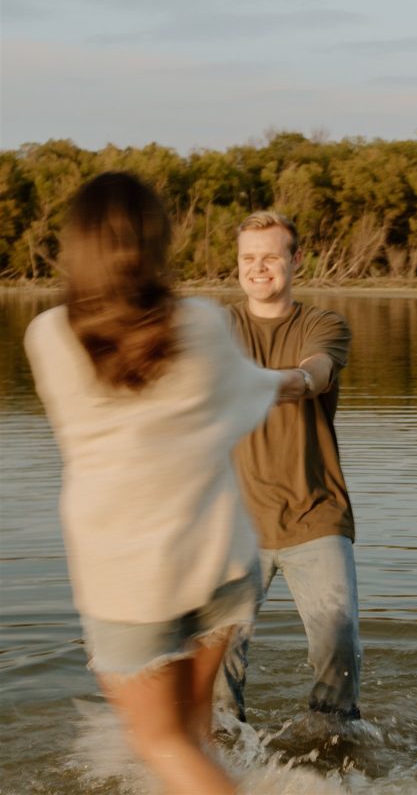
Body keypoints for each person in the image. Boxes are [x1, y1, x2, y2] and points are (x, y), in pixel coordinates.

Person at [24, 173, 299, 795]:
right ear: (156, 244)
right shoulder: (200, 323)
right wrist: (299, 381)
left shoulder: (47, 335)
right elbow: (252, 390)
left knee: (162, 746)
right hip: (222, 566)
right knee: (194, 740)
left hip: (130, 585)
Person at [217, 210, 361, 722]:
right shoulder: (217, 325)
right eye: (248, 258)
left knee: (338, 646)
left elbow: (314, 373)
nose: (259, 268)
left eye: (271, 257)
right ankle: (225, 753)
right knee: (217, 658)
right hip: (233, 525)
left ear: (295, 260)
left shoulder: (323, 324)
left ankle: (334, 747)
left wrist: (261, 383)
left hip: (314, 514)